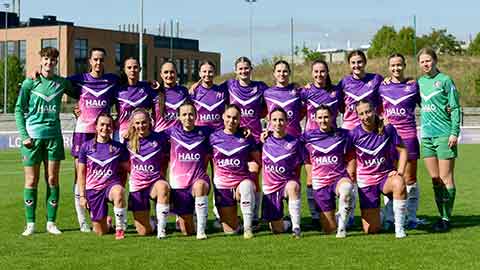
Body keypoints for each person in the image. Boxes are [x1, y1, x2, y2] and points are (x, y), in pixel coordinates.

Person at [15, 47, 78, 236]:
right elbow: (19, 109)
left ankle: (51, 222)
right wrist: (24, 135)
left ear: (56, 63)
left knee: (52, 179)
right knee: (31, 180)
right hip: (32, 139)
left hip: (54, 137)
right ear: (40, 60)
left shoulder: (61, 83)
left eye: (52, 60)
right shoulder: (30, 82)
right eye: (46, 59)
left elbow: (82, 93)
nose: (49, 63)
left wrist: (79, 108)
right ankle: (31, 223)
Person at [69, 48, 118, 232]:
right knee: (80, 175)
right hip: (83, 132)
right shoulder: (79, 79)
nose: (98, 63)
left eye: (101, 60)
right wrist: (36, 74)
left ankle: (108, 216)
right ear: (90, 61)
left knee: (107, 174)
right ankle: (82, 221)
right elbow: (58, 83)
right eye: (95, 59)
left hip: (104, 132)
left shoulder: (112, 80)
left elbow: (130, 84)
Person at [348, 99, 408, 238]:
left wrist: (399, 172)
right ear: (357, 116)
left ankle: (399, 228)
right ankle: (385, 212)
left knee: (399, 182)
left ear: (374, 110)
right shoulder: (353, 135)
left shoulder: (387, 128)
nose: (366, 116)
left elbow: (403, 151)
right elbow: (347, 158)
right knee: (371, 230)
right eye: (361, 114)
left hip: (385, 177)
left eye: (368, 111)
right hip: (366, 182)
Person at [417, 47, 461, 232]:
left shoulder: (445, 80)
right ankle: (440, 215)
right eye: (422, 61)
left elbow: (455, 107)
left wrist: (454, 132)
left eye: (428, 60)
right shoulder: (418, 83)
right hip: (426, 137)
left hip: (444, 136)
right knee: (435, 179)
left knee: (446, 178)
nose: (426, 64)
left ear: (435, 61)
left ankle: (446, 218)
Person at [338, 50, 383, 227]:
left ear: (365, 62)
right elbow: (341, 107)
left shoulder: (377, 79)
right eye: (353, 63)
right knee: (351, 174)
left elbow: (384, 98)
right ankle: (348, 216)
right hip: (351, 133)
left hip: (371, 133)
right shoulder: (343, 83)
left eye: (359, 62)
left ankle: (386, 214)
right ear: (349, 65)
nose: (357, 65)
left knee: (378, 170)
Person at [379, 53, 421, 230]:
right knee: (391, 177)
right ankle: (390, 218)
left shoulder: (413, 86)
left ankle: (411, 217)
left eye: (399, 65)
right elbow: (374, 108)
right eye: (393, 66)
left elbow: (426, 103)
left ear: (404, 66)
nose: (396, 68)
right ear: (389, 68)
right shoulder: (382, 87)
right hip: (389, 140)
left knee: (410, 179)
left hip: (409, 137)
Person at [300, 59, 343, 227]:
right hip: (311, 142)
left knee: (336, 178)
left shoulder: (336, 91)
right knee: (311, 179)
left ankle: (342, 214)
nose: (319, 75)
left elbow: (344, 109)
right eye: (316, 72)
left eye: (322, 71)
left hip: (332, 141)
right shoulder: (305, 91)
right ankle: (315, 217)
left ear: (327, 73)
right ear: (312, 74)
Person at [209, 104, 260, 239]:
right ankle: (238, 224)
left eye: (235, 118)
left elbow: (258, 160)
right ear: (223, 117)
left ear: (240, 119)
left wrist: (251, 176)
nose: (231, 121)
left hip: (241, 182)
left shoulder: (246, 137)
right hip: (222, 186)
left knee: (247, 186)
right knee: (230, 231)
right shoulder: (213, 137)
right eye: (229, 117)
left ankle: (248, 229)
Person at [303, 105, 354, 237]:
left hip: (339, 178)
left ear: (332, 117)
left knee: (347, 188)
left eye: (326, 117)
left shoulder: (344, 134)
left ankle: (342, 229)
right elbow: (287, 139)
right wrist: (267, 135)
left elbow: (361, 137)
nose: (323, 120)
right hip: (320, 183)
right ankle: (339, 216)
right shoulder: (308, 136)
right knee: (329, 229)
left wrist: (381, 123)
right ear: (315, 119)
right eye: (320, 117)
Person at [77, 113, 129, 239]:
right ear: (96, 127)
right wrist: (82, 196)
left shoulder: (119, 148)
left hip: (111, 186)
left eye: (108, 125)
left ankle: (120, 229)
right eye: (102, 125)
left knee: (118, 192)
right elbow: (81, 173)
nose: (105, 128)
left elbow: (126, 170)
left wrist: (120, 187)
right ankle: (108, 223)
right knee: (100, 231)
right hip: (93, 190)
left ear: (112, 128)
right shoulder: (86, 147)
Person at [165, 101, 211, 240]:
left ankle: (201, 231)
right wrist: (130, 133)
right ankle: (191, 218)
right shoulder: (171, 132)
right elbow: (149, 135)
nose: (188, 117)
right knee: (186, 231)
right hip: (179, 186)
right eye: (184, 114)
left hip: (199, 181)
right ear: (178, 117)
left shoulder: (205, 132)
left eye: (191, 114)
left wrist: (243, 130)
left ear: (196, 115)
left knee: (200, 185)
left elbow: (227, 131)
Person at [126, 109, 170, 238]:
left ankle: (161, 231)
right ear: (133, 124)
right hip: (137, 186)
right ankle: (152, 222)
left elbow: (167, 158)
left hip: (154, 183)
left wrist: (162, 174)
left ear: (150, 122)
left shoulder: (160, 138)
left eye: (144, 122)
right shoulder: (127, 141)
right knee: (144, 232)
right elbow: (124, 163)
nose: (141, 126)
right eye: (138, 123)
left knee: (163, 187)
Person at [261, 108, 304, 238]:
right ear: (269, 121)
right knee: (277, 229)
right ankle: (287, 222)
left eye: (281, 120)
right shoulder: (263, 141)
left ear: (287, 122)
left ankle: (296, 228)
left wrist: (295, 180)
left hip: (287, 183)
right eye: (274, 120)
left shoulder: (295, 142)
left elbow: (301, 164)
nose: (278, 123)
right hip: (271, 187)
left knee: (293, 187)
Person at [115, 58, 157, 142]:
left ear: (140, 69)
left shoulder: (148, 88)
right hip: (123, 134)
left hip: (142, 133)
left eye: (135, 67)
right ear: (124, 70)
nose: (132, 70)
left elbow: (156, 109)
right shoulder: (118, 90)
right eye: (129, 67)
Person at [264, 60, 304, 138]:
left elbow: (303, 111)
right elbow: (262, 112)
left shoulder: (298, 91)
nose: (282, 74)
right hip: (274, 139)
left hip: (294, 138)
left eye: (285, 71)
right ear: (274, 73)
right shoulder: (267, 93)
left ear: (289, 73)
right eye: (279, 71)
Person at [190, 61, 228, 130]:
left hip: (218, 133)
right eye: (204, 71)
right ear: (199, 74)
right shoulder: (193, 92)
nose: (207, 74)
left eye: (210, 71)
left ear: (214, 73)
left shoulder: (222, 91)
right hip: (200, 133)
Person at [153, 61, 189, 132]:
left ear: (176, 73)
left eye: (172, 72)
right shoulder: (154, 91)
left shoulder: (184, 91)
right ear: (161, 74)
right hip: (160, 136)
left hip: (179, 136)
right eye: (166, 72)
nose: (169, 75)